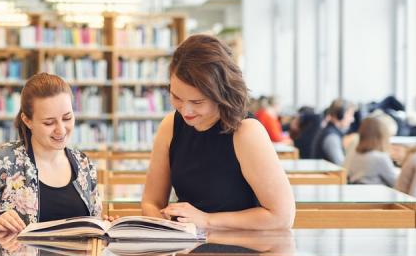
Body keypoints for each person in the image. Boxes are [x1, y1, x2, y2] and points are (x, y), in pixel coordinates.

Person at [141, 34, 296, 230]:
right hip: (186, 248)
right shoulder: (171, 125)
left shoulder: (246, 132)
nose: (185, 111)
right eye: (176, 97)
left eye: (197, 102)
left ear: (221, 94)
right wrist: (163, 225)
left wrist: (206, 220)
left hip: (242, 251)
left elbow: (282, 217)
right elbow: (151, 201)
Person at [0, 73, 102, 234]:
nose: (61, 129)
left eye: (67, 118)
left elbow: (95, 223)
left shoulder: (83, 163)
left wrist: (106, 226)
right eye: (49, 122)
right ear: (27, 120)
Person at [343, 116, 399, 186]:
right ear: (382, 135)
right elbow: (396, 183)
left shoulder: (355, 152)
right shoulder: (380, 158)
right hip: (375, 194)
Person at [309, 99, 355, 165]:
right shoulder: (331, 137)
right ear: (340, 115)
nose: (352, 119)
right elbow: (342, 165)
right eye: (350, 115)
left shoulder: (329, 131)